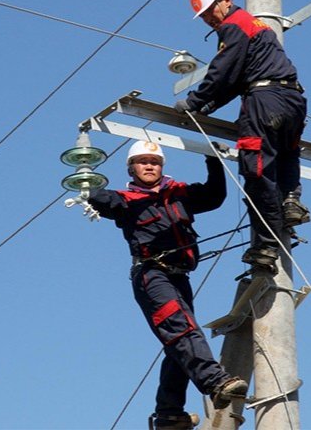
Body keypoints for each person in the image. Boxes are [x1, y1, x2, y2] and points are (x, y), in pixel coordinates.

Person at [86, 140, 247, 430]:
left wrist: (212, 158)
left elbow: (214, 195)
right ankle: (215, 381)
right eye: (143, 161)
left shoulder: (179, 194)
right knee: (181, 329)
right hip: (151, 275)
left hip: (179, 277)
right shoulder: (125, 200)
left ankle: (169, 414)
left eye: (155, 161)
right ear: (131, 168)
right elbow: (99, 199)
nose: (150, 165)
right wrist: (86, 173)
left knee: (178, 344)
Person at [174, 0, 311, 269]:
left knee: (256, 172)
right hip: (292, 101)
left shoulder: (233, 26)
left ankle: (266, 245)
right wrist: (208, 105)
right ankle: (291, 202)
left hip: (264, 102)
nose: (209, 19)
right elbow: (236, 79)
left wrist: (195, 102)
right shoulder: (255, 27)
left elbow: (223, 73)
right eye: (204, 15)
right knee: (285, 155)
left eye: (211, 10)